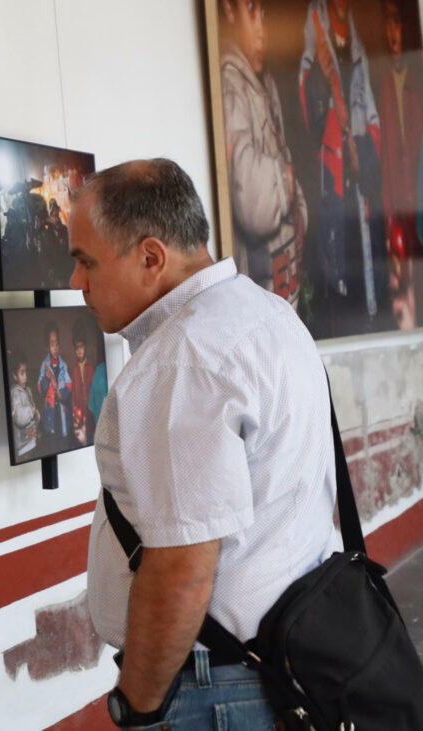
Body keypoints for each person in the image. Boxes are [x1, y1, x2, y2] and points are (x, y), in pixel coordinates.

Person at [71, 159, 337, 727]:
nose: (77, 282)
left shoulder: (183, 358)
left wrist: (138, 707)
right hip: (283, 658)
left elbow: (182, 570)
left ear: (151, 257)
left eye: (85, 261)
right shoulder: (264, 313)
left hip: (217, 686)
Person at [299, 0, 389, 333]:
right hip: (332, 181)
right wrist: (322, 82)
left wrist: (361, 153)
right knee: (336, 269)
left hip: (360, 183)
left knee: (368, 271)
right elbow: (307, 110)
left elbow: (372, 114)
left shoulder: (357, 42)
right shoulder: (315, 28)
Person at [219, 0, 306, 306]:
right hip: (262, 289)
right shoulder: (230, 81)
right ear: (229, 11)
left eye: (266, 15)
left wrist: (298, 209)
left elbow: (284, 157)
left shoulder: (263, 81)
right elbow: (254, 204)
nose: (262, 31)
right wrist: (287, 179)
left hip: (283, 284)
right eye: (252, 10)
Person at [377, 0, 421, 328]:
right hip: (397, 203)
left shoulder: (416, 82)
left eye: (397, 23)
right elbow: (385, 157)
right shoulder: (382, 85)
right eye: (387, 24)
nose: (393, 34)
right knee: (401, 275)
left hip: (416, 199)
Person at [37, 323, 72, 452]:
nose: (55, 347)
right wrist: (47, 378)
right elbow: (40, 389)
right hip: (50, 415)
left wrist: (60, 393)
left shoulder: (63, 365)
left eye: (57, 343)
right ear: (48, 346)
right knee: (52, 445)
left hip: (62, 413)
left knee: (63, 444)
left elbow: (68, 387)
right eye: (52, 344)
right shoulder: (44, 365)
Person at [67, 319, 96, 447]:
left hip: (90, 413)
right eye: (77, 348)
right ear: (74, 348)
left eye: (81, 347)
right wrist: (74, 408)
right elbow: (73, 392)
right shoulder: (73, 369)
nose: (79, 351)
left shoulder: (90, 367)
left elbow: (94, 391)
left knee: (91, 439)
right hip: (79, 413)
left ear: (85, 346)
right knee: (81, 441)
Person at [8, 353, 39, 460]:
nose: (25, 376)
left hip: (32, 440)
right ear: (15, 376)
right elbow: (19, 418)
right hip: (23, 447)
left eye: (26, 372)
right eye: (22, 373)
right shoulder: (14, 394)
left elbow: (33, 407)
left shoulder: (28, 390)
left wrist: (36, 415)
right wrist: (31, 411)